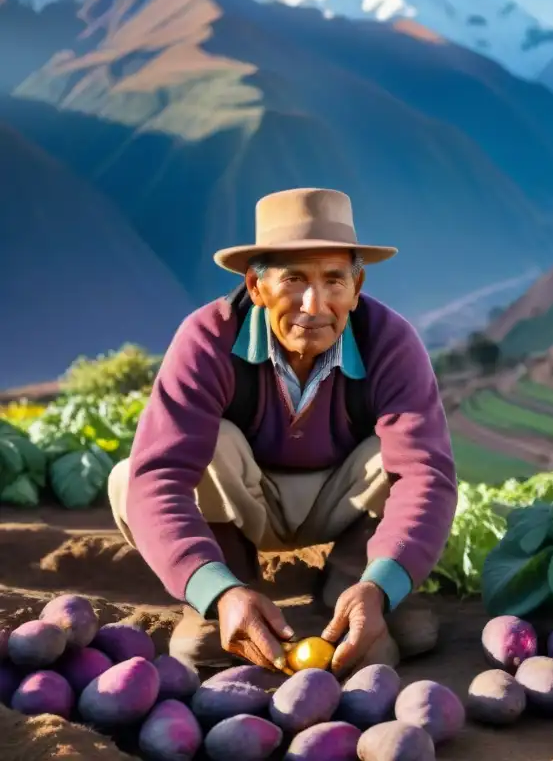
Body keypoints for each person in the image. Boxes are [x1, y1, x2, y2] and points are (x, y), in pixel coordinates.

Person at [107, 188, 458, 677]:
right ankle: (231, 589)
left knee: (399, 457)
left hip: (341, 501)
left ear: (357, 287)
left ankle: (354, 584)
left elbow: (425, 476)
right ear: (255, 286)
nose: (314, 304)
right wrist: (216, 590)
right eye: (294, 279)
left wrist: (382, 584)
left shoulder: (390, 341)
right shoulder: (208, 338)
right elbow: (159, 476)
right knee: (134, 475)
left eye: (334, 280)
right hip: (243, 501)